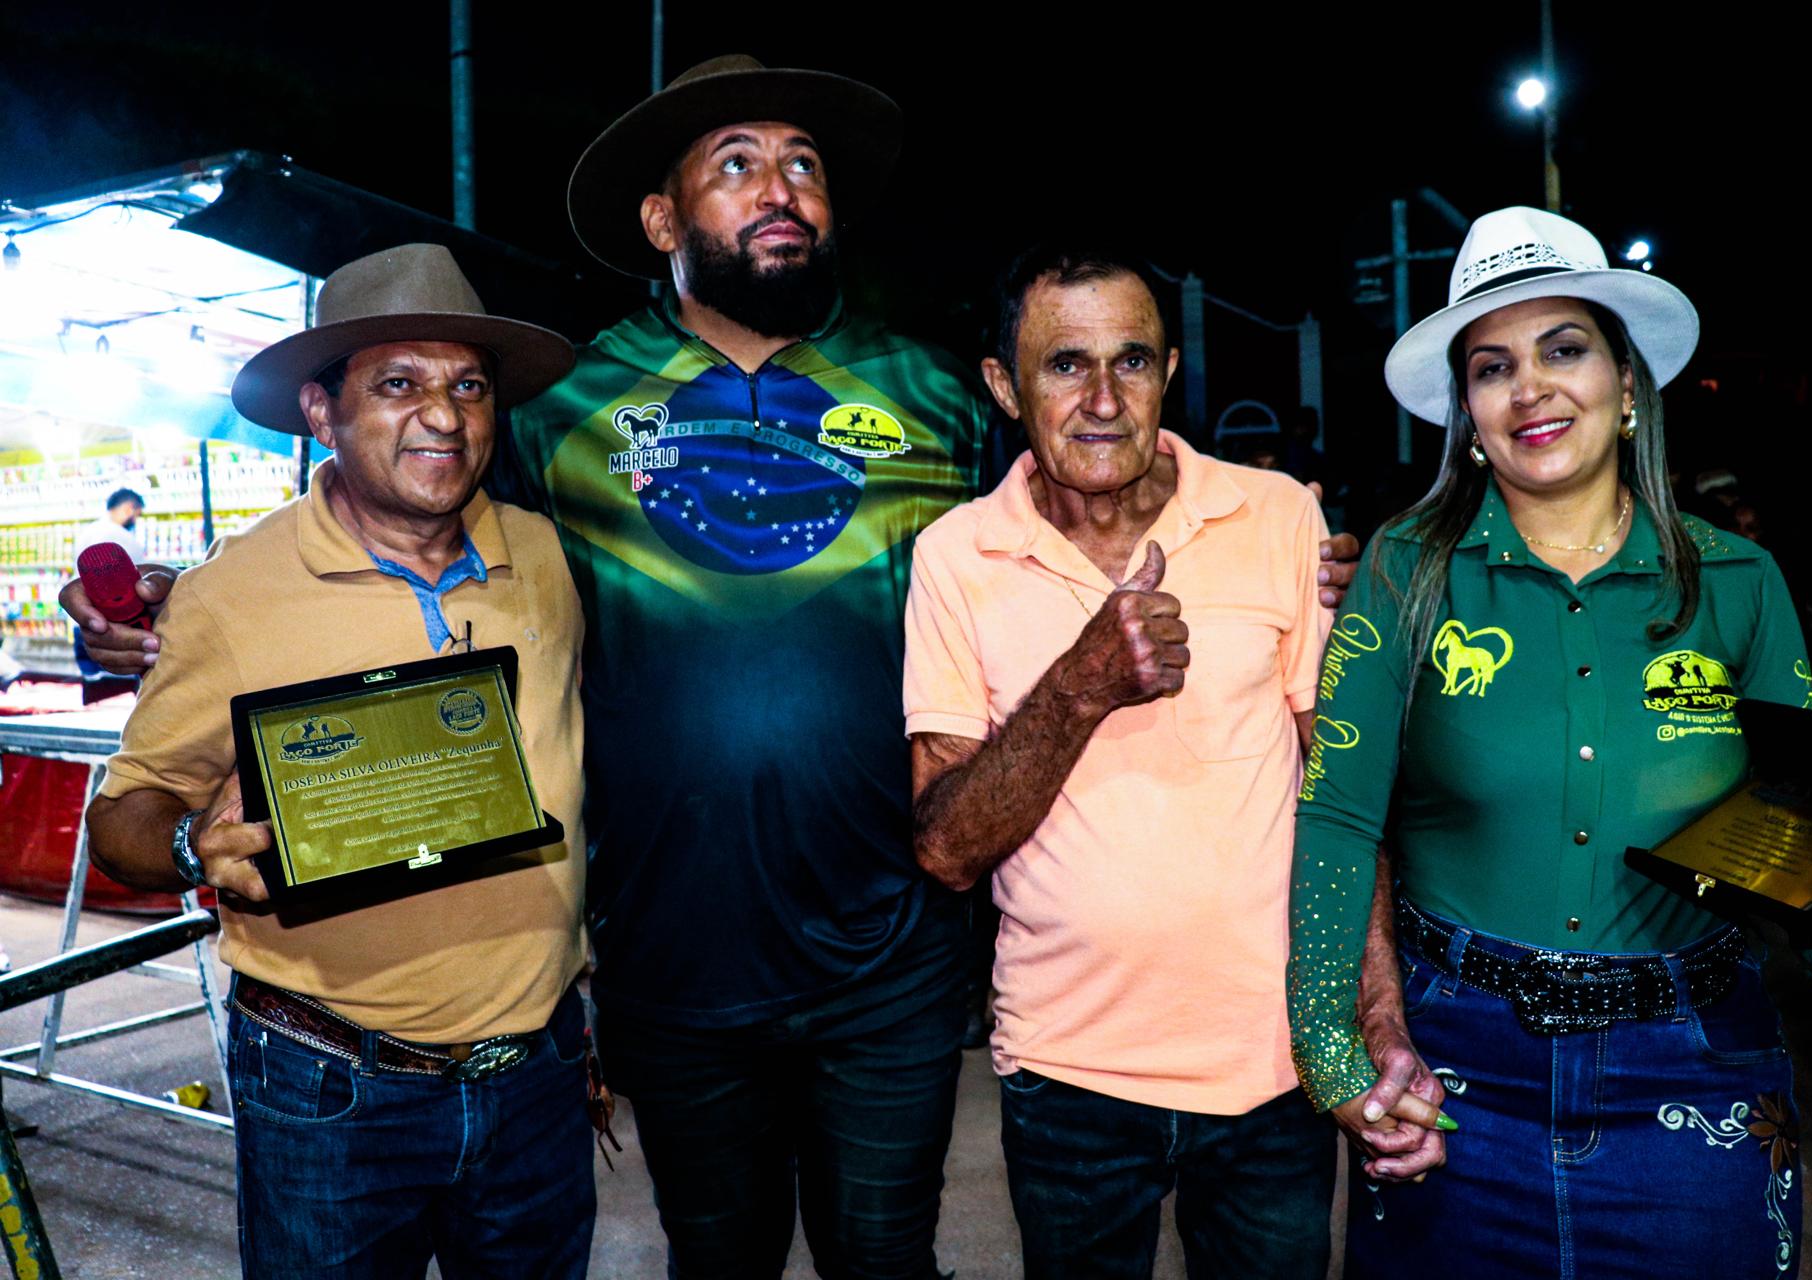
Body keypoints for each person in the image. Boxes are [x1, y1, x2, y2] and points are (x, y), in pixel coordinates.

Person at [60, 55, 1364, 1278]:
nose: (780, 188)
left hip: (891, 955)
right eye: (737, 163)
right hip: (673, 965)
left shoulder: (930, 391)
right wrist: (215, 597)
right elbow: (429, 545)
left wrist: (1303, 567)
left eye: (804, 165)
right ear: (659, 217)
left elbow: (1070, 518)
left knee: (885, 1259)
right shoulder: (567, 406)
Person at [1285, 206, 1812, 1280]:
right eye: (1492, 367)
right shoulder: (1404, 568)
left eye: (1564, 349)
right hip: (1453, 1077)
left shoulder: (1739, 582)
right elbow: (1339, 818)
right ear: (1468, 412)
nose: (1529, 388)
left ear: (1627, 385)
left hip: (1698, 1079)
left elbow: (1801, 833)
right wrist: (1332, 1051)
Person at [903, 247, 1438, 1278]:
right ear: (1005, 386)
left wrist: (1374, 1011)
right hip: (1067, 1073)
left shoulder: (1275, 514)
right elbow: (946, 849)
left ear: (1170, 371)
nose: (1104, 399)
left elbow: (1341, 799)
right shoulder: (957, 555)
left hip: (1275, 1067)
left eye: (1132, 361)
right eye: (1066, 365)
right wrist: (1082, 682)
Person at [82, 244, 596, 1279]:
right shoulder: (232, 592)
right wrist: (191, 846)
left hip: (537, 1074)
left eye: (468, 387)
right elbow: (124, 813)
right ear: (320, 411)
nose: (443, 417)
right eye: (398, 384)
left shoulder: (543, 556)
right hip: (330, 1090)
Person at [76, 487, 144, 557]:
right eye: (137, 515)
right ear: (128, 509)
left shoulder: (86, 533)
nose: (135, 521)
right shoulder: (124, 538)